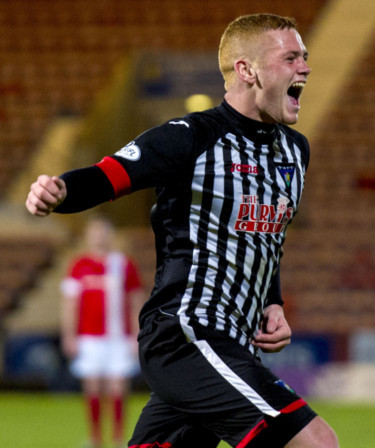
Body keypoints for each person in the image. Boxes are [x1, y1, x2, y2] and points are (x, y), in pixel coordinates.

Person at [27, 13, 338, 448]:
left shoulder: (294, 151)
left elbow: (265, 239)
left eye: (304, 57)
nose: (305, 67)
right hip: (188, 335)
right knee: (317, 443)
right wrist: (60, 191)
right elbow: (110, 176)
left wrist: (272, 302)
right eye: (290, 58)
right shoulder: (190, 137)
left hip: (232, 344)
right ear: (247, 70)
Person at [61, 214, 145, 448]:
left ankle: (119, 438)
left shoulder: (123, 264)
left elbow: (136, 301)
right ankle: (96, 438)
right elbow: (70, 304)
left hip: (118, 338)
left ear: (110, 234)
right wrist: (69, 335)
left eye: (102, 231)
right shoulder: (79, 266)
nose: (98, 237)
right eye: (94, 232)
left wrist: (137, 334)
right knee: (93, 386)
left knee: (118, 386)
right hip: (89, 337)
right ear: (88, 236)